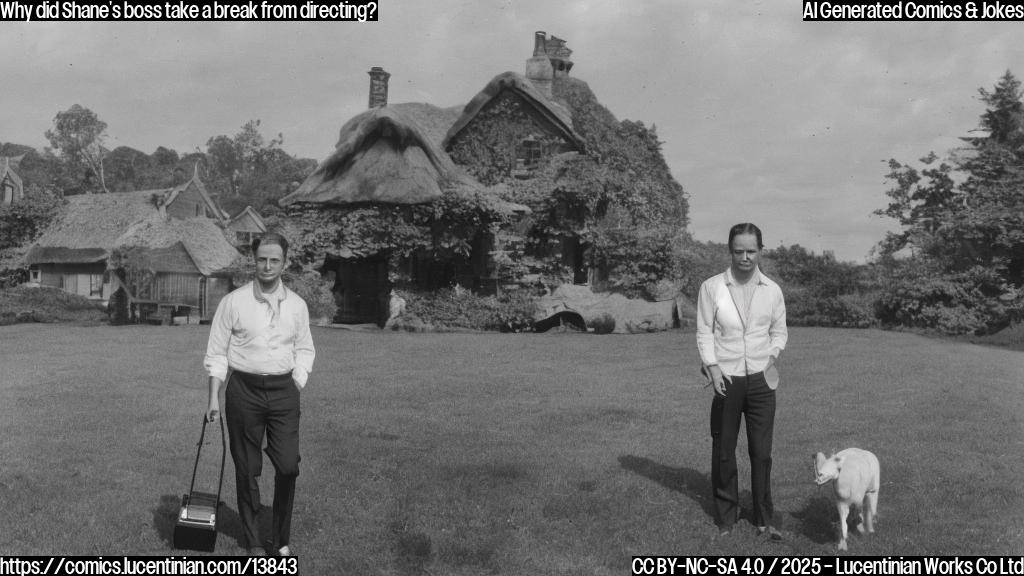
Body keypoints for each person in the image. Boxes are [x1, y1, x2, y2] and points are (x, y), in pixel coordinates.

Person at [204, 232, 316, 557]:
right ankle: (254, 542)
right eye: (262, 259)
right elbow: (217, 352)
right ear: (254, 260)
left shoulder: (297, 305)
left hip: (284, 392)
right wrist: (214, 397)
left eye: (274, 260)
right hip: (243, 392)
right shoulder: (233, 302)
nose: (267, 266)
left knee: (287, 466)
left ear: (285, 263)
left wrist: (297, 381)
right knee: (247, 468)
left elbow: (305, 348)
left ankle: (281, 540)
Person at [696, 223, 787, 539]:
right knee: (724, 449)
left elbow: (779, 332)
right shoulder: (712, 287)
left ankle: (763, 516)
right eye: (739, 251)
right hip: (727, 379)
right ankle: (726, 516)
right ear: (730, 251)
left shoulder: (772, 290)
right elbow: (704, 331)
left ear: (760, 250)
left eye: (751, 251)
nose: (745, 257)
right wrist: (712, 366)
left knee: (761, 453)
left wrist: (772, 355)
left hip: (762, 381)